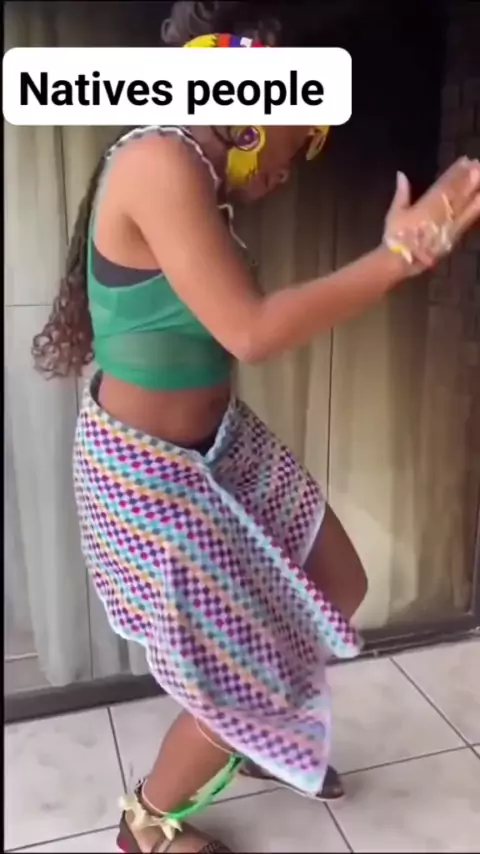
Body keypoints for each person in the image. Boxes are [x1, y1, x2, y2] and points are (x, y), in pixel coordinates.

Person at [32, 1, 480, 850]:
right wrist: (400, 257)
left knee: (337, 581)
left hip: (220, 448)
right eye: (304, 134)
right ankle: (147, 822)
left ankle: (251, 732)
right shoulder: (159, 162)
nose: (296, 164)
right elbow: (251, 330)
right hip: (150, 474)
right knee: (236, 673)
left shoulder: (194, 175)